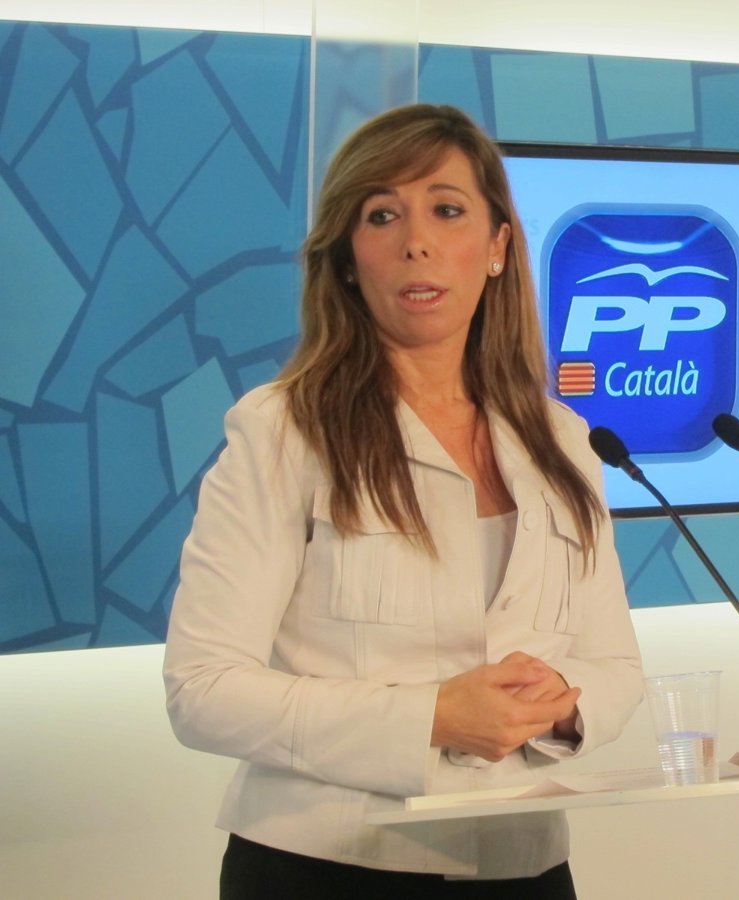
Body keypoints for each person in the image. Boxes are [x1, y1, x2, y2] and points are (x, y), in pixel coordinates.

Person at [163, 103, 644, 899]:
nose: (416, 241)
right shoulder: (283, 431)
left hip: (524, 864)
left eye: (446, 210)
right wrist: (433, 717)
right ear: (349, 259)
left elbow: (616, 667)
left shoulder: (563, 440)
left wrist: (558, 707)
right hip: (323, 868)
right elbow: (203, 691)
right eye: (382, 215)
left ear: (498, 247)